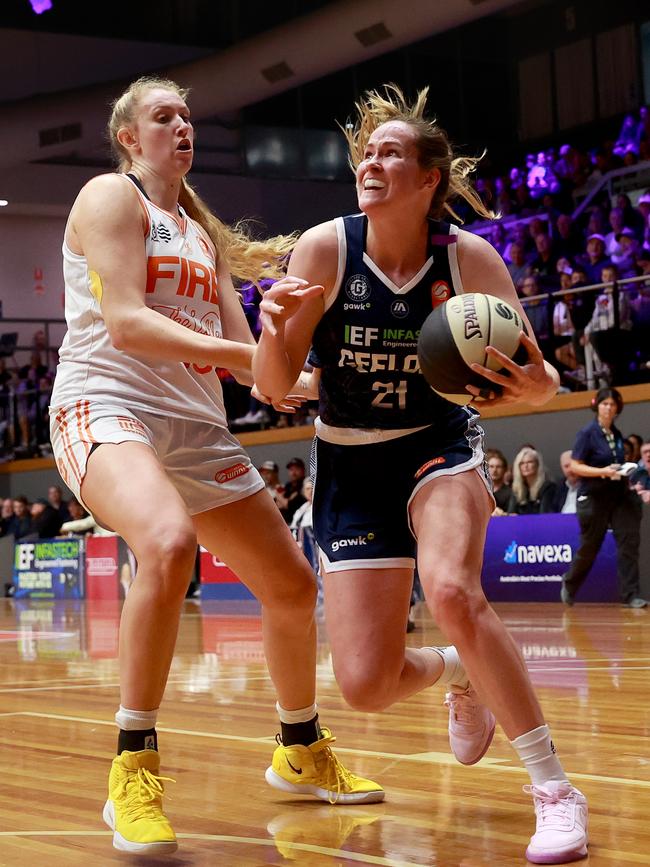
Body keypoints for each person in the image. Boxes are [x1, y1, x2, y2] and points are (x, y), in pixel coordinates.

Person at [47, 75, 384, 856]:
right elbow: (127, 324)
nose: (183, 125)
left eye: (190, 115)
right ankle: (133, 764)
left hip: (196, 429)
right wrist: (246, 353)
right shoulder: (109, 198)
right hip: (105, 403)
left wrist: (313, 370)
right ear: (130, 136)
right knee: (165, 544)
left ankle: (298, 747)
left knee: (293, 589)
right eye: (164, 115)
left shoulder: (200, 234)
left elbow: (255, 372)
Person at [253, 84, 589, 865]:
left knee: (450, 589)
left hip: (438, 445)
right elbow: (274, 386)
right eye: (366, 152)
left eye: (391, 152)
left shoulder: (468, 260)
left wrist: (523, 382)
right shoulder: (325, 249)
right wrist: (275, 334)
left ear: (429, 177)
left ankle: (553, 788)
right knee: (366, 685)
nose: (371, 160)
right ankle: (457, 674)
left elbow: (541, 383)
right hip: (347, 459)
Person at [561, 387, 647, 609]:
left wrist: (622, 471)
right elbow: (575, 466)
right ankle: (569, 584)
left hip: (618, 495)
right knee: (590, 546)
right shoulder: (587, 433)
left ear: (618, 408)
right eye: (605, 404)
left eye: (612, 404)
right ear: (597, 406)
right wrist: (603, 471)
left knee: (629, 542)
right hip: (594, 496)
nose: (609, 408)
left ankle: (630, 595)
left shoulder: (616, 434)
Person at [507, 447, 557, 515]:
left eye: (530, 462)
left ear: (537, 464)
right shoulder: (517, 488)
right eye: (522, 463)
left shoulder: (548, 487)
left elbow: (544, 515)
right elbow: (511, 513)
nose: (526, 466)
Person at [485, 448, 512, 514]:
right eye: (491, 466)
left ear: (504, 469)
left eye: (498, 467)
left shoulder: (510, 493)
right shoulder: (481, 491)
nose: (494, 470)